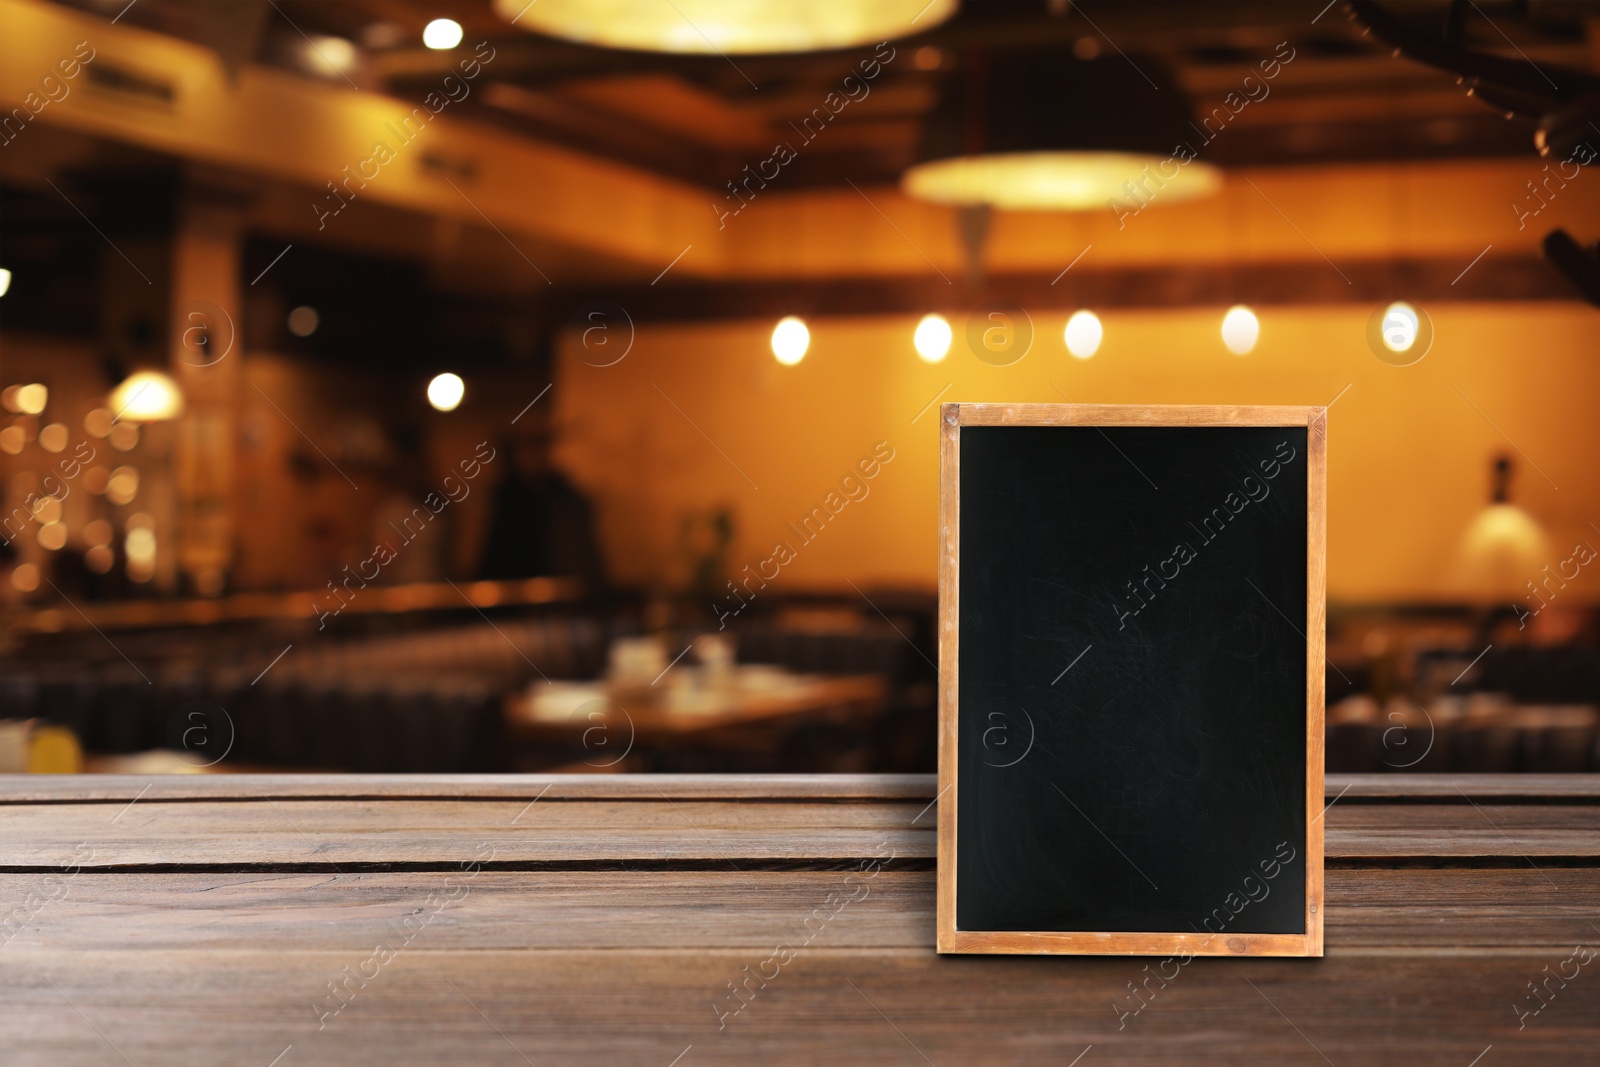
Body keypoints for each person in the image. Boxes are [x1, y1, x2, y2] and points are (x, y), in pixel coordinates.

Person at [477, 409, 607, 594]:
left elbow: (579, 552)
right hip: (515, 594)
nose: (532, 456)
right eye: (526, 448)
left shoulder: (564, 497)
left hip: (560, 593)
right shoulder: (508, 498)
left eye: (539, 447)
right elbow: (498, 554)